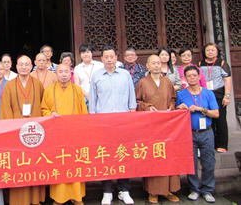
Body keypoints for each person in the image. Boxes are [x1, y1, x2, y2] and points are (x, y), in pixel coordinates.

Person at [89, 46, 136, 205]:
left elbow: (132, 97)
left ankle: (124, 190)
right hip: (104, 122)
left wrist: (132, 112)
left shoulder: (125, 75)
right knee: (105, 156)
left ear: (117, 57)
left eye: (112, 56)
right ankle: (107, 190)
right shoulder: (96, 76)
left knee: (123, 155)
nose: (109, 59)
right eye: (106, 57)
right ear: (101, 59)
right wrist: (93, 119)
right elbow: (93, 101)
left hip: (123, 121)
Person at [0, 55, 45, 205]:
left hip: (34, 134)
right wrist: (9, 131)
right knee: (19, 165)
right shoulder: (9, 85)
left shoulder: (38, 84)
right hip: (16, 134)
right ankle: (18, 200)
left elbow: (42, 104)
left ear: (32, 66)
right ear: (16, 67)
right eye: (21, 64)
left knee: (34, 164)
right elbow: (6, 109)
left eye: (27, 64)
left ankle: (35, 199)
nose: (24, 67)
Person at [135, 55, 180, 204]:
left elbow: (173, 98)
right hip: (151, 126)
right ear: (147, 66)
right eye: (153, 63)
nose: (156, 65)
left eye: (158, 63)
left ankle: (168, 190)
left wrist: (171, 107)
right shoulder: (142, 82)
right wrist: (148, 107)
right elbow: (136, 101)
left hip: (167, 126)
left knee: (168, 156)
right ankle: (153, 191)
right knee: (154, 156)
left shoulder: (167, 81)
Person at [41, 64, 87, 205]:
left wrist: (83, 129)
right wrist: (51, 114)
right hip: (57, 135)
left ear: (71, 73)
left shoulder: (78, 90)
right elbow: (44, 109)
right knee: (59, 164)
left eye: (66, 71)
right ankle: (59, 197)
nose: (63, 74)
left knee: (75, 164)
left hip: (74, 134)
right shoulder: (49, 90)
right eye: (60, 71)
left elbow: (84, 111)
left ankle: (76, 196)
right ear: (56, 74)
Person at [176, 66, 219, 203]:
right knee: (191, 163)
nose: (192, 78)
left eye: (194, 75)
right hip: (189, 133)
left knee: (208, 162)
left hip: (206, 132)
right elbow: (176, 112)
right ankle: (194, 189)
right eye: (189, 76)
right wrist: (180, 108)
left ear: (199, 77)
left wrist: (201, 109)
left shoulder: (208, 93)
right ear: (186, 78)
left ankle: (207, 190)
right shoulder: (182, 94)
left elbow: (216, 114)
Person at [199, 43, 232, 153]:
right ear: (204, 52)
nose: (210, 52)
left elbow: (227, 79)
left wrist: (227, 96)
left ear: (217, 51)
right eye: (208, 50)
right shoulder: (201, 63)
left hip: (218, 94)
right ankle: (211, 144)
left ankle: (222, 144)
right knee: (209, 119)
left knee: (221, 120)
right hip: (206, 95)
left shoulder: (221, 63)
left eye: (213, 50)